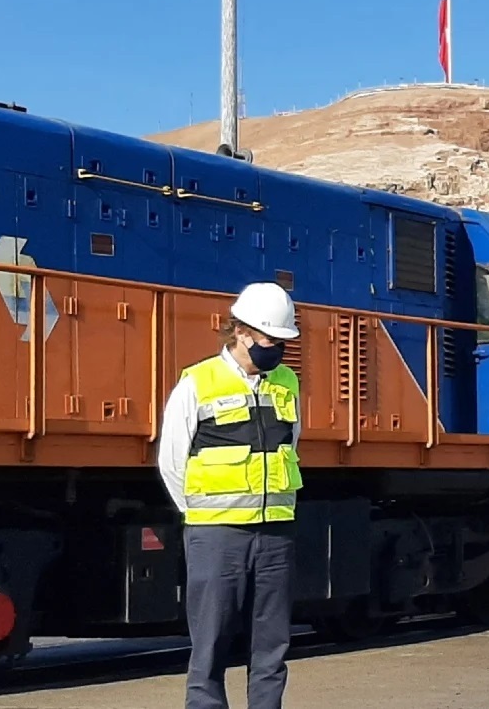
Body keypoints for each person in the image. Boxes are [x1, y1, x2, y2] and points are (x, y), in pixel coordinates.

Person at [156, 282, 304, 709]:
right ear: (240, 331)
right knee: (210, 646)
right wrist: (202, 516)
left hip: (275, 534)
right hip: (216, 535)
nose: (276, 349)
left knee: (272, 647)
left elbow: (291, 446)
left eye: (282, 341)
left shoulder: (287, 382)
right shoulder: (197, 383)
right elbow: (172, 461)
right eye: (270, 340)